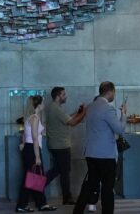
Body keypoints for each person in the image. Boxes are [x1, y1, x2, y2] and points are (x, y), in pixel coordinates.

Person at [74, 82, 126, 214]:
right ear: (109, 92)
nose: (114, 95)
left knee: (91, 184)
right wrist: (124, 114)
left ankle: (78, 210)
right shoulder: (108, 108)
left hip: (91, 153)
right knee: (107, 189)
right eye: (114, 92)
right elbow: (119, 129)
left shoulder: (90, 107)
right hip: (106, 155)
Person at [45, 87, 86, 205]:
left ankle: (37, 187)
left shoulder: (55, 108)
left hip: (56, 145)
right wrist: (84, 112)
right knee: (64, 172)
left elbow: (67, 118)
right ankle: (67, 198)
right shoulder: (56, 109)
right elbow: (73, 122)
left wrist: (78, 112)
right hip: (61, 146)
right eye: (64, 94)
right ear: (58, 96)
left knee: (57, 170)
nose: (66, 96)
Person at [16, 95, 57, 212]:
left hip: (29, 149)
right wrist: (38, 156)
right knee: (30, 178)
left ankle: (41, 203)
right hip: (33, 150)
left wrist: (23, 144)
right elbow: (34, 138)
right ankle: (22, 205)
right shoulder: (34, 118)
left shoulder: (29, 117)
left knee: (35, 177)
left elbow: (24, 134)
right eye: (43, 103)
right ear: (39, 105)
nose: (44, 105)